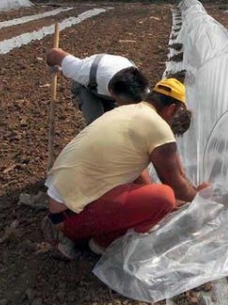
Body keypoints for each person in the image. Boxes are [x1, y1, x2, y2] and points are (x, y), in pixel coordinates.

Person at [41, 78, 210, 260]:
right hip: (71, 218)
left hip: (60, 207)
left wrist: (155, 200)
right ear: (171, 109)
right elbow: (175, 183)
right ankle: (101, 243)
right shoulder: (158, 127)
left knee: (154, 196)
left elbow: (139, 171)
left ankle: (84, 230)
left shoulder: (126, 111)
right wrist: (201, 201)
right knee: (164, 197)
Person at [46, 48, 149, 125]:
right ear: (112, 93)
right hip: (88, 86)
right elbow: (54, 53)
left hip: (109, 77)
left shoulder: (141, 88)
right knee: (97, 124)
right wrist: (51, 67)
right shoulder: (82, 71)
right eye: (125, 104)